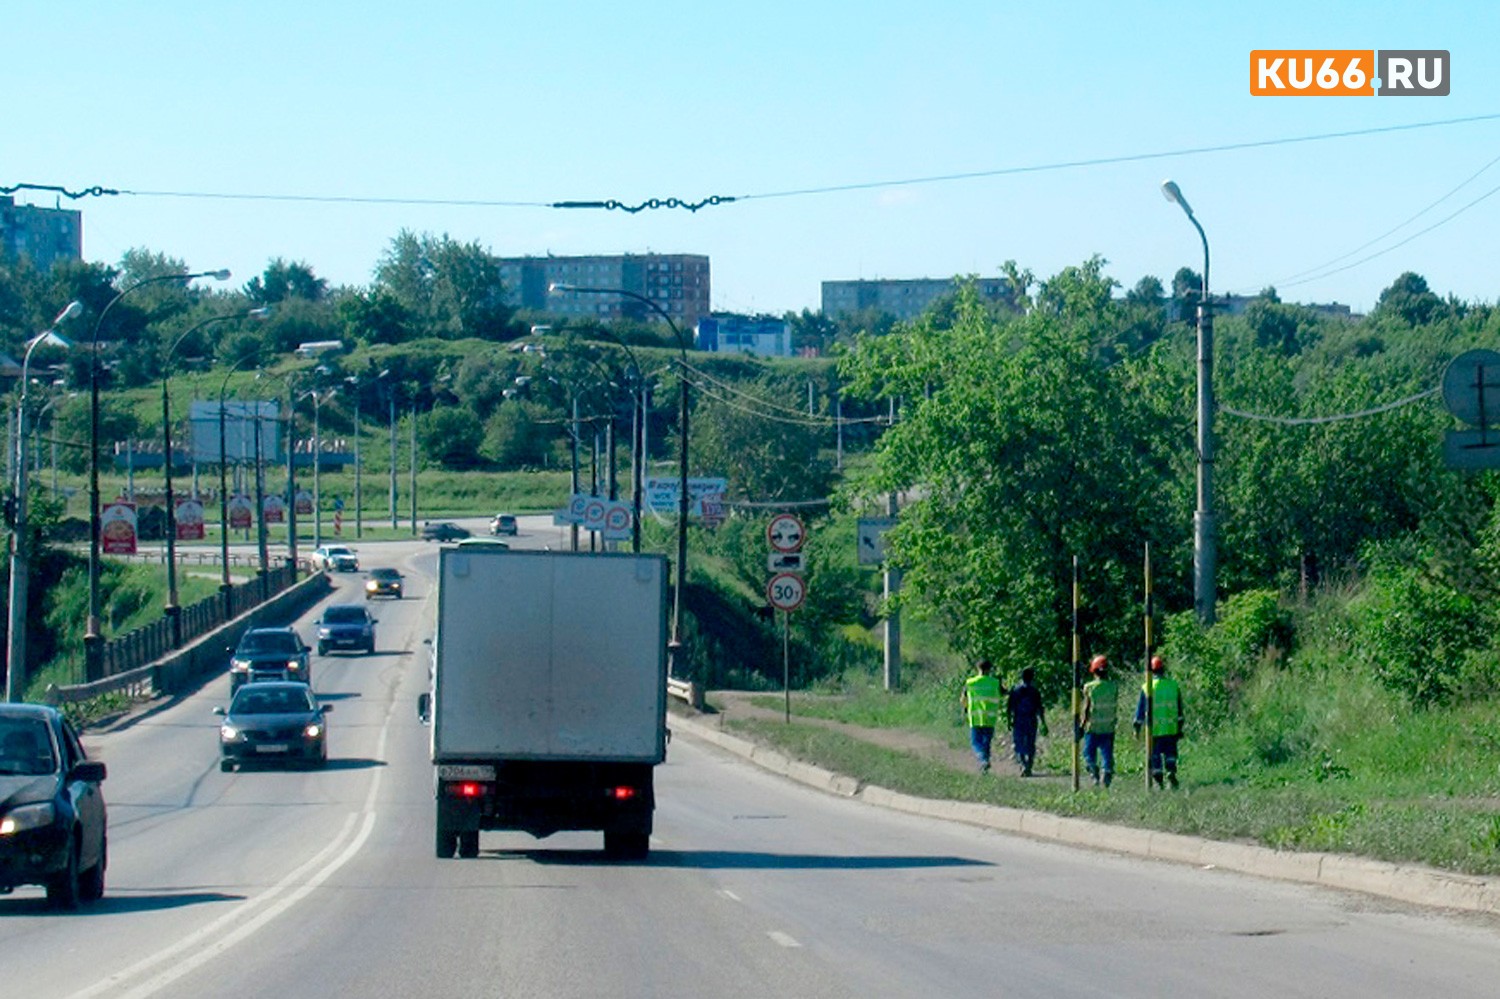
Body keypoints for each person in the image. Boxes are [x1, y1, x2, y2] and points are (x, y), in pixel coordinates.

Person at [1134, 654, 1185, 789]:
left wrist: (1137, 727)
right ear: (1164, 669)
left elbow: (1141, 710)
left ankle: (1158, 780)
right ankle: (1171, 772)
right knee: (1170, 754)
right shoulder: (1173, 685)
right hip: (1171, 728)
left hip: (1154, 730)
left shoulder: (1147, 687)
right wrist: (1180, 727)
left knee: (1155, 755)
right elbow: (1179, 710)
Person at [1081, 654, 1119, 787]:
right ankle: (1107, 772)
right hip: (1108, 727)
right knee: (1107, 753)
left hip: (1093, 727)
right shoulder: (1113, 687)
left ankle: (1093, 772)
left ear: (1094, 670)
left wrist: (1082, 725)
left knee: (1088, 753)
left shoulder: (1089, 687)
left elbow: (1086, 708)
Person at [1005, 667, 1047, 776]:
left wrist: (1009, 720)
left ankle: (1023, 763)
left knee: (1019, 743)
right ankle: (1029, 764)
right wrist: (1043, 722)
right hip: (1031, 719)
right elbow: (1039, 708)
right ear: (1032, 677)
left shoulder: (1015, 690)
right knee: (1031, 743)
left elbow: (1009, 707)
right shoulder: (1034, 691)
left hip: (1019, 719)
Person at [962, 660, 1002, 773]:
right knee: (986, 741)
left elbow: (963, 699)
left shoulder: (970, 682)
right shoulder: (995, 682)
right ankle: (985, 763)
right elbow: (1003, 693)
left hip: (975, 717)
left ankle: (983, 760)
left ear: (977, 668)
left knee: (976, 742)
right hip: (990, 717)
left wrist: (966, 708)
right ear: (990, 669)